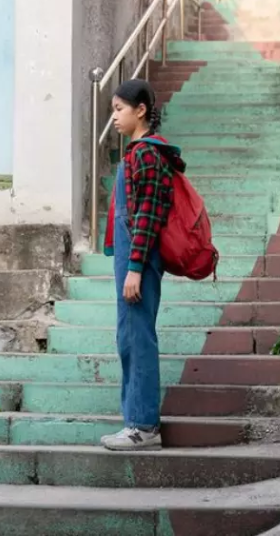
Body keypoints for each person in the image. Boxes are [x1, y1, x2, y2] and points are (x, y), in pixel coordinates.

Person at [100, 79, 186, 452]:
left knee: (138, 338)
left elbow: (148, 215)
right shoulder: (136, 153)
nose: (115, 117)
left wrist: (135, 266)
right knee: (129, 339)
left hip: (140, 260)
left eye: (119, 109)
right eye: (113, 110)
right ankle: (134, 421)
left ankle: (143, 425)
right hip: (131, 258)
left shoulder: (147, 155)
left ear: (141, 110)